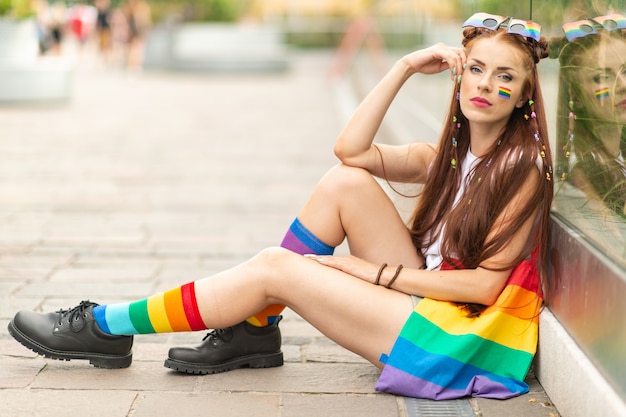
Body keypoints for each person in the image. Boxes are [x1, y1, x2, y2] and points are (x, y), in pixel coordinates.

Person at [7, 12, 552, 400]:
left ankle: (107, 325)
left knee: (275, 266)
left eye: (504, 77)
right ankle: (254, 327)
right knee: (345, 182)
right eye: (476, 69)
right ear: (458, 74)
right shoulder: (446, 158)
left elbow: (483, 286)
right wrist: (406, 67)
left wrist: (367, 272)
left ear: (525, 95)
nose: (485, 85)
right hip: (425, 307)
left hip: (453, 340)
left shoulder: (521, 169)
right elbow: (351, 151)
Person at [555, 13, 626, 217]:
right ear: (576, 95)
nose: (622, 86)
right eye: (602, 77)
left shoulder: (616, 153)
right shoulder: (585, 172)